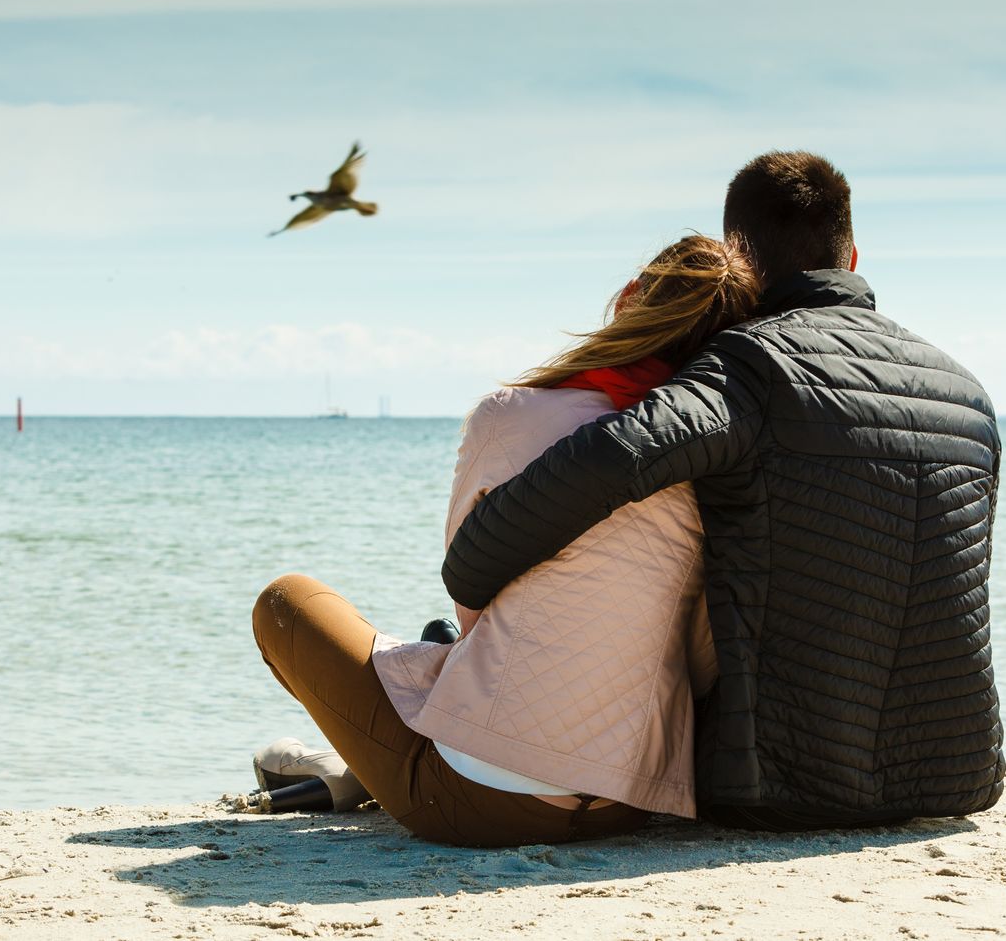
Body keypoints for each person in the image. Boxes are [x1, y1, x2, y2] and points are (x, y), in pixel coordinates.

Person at [443, 151, 1005, 831]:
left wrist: (472, 563)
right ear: (852, 256)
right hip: (957, 774)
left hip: (782, 785)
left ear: (739, 261)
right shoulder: (969, 394)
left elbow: (614, 456)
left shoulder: (751, 366)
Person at [253, 234, 761, 847]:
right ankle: (352, 770)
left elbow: (474, 602)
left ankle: (351, 770)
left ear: (629, 298)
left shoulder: (510, 415)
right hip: (630, 798)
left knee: (287, 603)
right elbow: (704, 649)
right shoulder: (719, 460)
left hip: (478, 800)